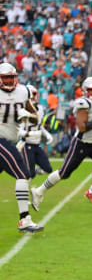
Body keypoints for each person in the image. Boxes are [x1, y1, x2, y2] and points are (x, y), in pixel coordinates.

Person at [31, 77, 92, 214]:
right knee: (64, 173)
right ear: (85, 91)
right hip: (81, 143)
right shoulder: (83, 104)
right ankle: (39, 191)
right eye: (91, 90)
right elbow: (83, 127)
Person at [0, 63, 43, 232]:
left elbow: (35, 117)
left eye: (11, 77)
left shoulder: (23, 91)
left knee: (23, 174)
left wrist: (28, 114)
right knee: (23, 173)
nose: (9, 81)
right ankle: (24, 218)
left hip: (9, 140)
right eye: (6, 78)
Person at [17, 84, 53, 179]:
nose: (33, 97)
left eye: (34, 94)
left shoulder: (40, 109)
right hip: (26, 144)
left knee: (47, 168)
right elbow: (18, 130)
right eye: (30, 94)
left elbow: (39, 126)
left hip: (37, 144)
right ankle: (24, 191)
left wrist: (46, 134)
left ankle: (31, 173)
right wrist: (29, 134)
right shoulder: (22, 111)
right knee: (30, 174)